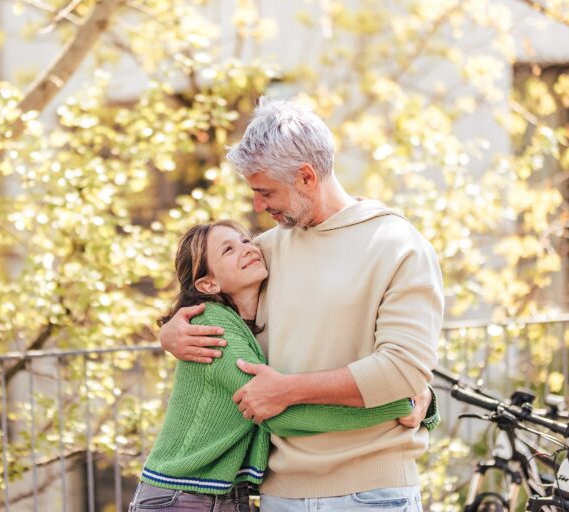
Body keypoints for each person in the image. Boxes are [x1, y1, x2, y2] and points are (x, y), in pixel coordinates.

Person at [159, 98, 443, 511]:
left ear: (306, 177)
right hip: (280, 496)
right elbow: (213, 303)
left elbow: (404, 368)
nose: (258, 206)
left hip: (374, 495)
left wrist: (288, 390)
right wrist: (169, 334)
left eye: (266, 192)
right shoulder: (263, 253)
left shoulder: (396, 247)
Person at [129, 220, 434, 512]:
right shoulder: (212, 325)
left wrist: (416, 395)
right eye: (228, 250)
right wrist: (397, 403)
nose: (247, 248)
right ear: (208, 283)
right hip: (181, 497)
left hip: (222, 493)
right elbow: (281, 414)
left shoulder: (251, 323)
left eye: (245, 240)